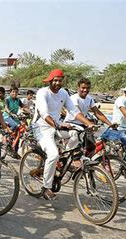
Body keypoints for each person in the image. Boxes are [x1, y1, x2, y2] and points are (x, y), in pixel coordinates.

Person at [32, 69, 94, 200]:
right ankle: (46, 187)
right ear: (50, 81)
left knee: (77, 132)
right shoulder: (42, 92)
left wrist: (89, 124)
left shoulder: (64, 93)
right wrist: (58, 125)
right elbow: (44, 113)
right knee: (53, 154)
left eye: (59, 80)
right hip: (42, 127)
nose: (57, 83)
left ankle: (66, 158)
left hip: (57, 126)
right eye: (55, 80)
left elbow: (74, 111)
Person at [63, 78, 115, 151]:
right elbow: (78, 113)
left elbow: (97, 113)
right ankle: (68, 152)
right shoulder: (74, 98)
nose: (85, 90)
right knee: (77, 145)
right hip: (72, 124)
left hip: (84, 125)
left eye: (87, 88)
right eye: (83, 88)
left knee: (92, 146)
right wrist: (89, 123)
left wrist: (110, 124)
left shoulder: (90, 99)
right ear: (78, 87)